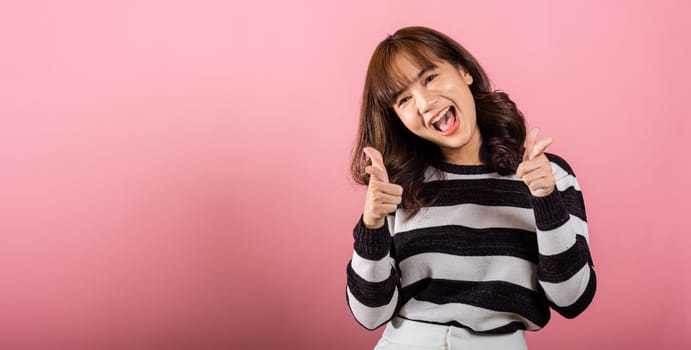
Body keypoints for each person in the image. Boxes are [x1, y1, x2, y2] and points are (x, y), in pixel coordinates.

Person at [345, 26, 596, 350]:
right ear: (397, 118)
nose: (424, 103)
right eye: (404, 99)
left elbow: (572, 299)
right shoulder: (397, 186)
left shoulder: (548, 175)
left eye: (430, 78)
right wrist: (372, 225)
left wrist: (546, 201)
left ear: (464, 71)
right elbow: (369, 314)